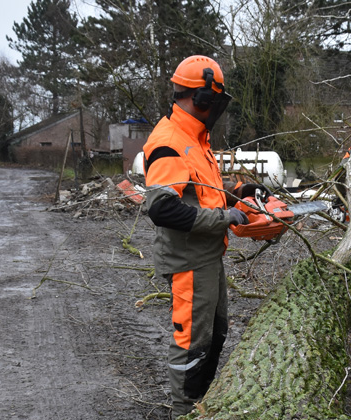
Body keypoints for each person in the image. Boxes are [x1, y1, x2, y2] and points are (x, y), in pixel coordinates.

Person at [140, 55, 253, 418]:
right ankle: (183, 409)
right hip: (188, 260)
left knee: (215, 334)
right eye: (214, 100)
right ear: (201, 98)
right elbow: (163, 209)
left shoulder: (195, 137)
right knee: (192, 342)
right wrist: (226, 217)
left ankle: (199, 401)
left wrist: (240, 193)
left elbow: (202, 190)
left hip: (206, 255)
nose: (215, 108)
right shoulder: (170, 141)